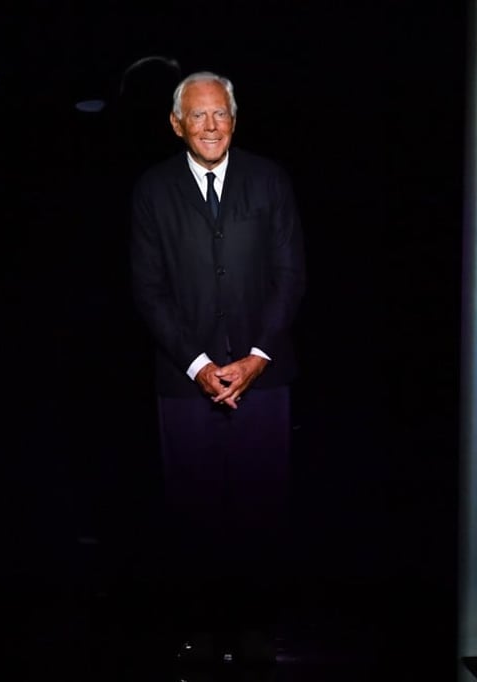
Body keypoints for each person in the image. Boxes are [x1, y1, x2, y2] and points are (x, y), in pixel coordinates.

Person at [130, 71, 306, 665]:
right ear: (176, 124)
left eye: (220, 114)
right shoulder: (153, 191)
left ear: (235, 118)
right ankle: (201, 634)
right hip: (184, 386)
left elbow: (290, 276)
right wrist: (200, 365)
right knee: (193, 514)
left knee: (261, 510)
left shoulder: (270, 180)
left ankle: (255, 632)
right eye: (197, 116)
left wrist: (256, 358)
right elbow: (148, 290)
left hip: (265, 378)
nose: (210, 126)